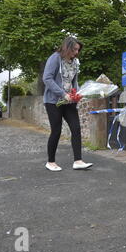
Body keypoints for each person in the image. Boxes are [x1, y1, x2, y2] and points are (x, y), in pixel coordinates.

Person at [42, 36, 93, 171]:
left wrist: (77, 93)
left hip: (69, 101)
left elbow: (74, 81)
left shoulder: (75, 62)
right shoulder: (55, 58)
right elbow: (47, 78)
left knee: (76, 128)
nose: (76, 52)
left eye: (78, 50)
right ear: (67, 47)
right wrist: (63, 94)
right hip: (53, 101)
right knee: (56, 131)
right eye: (74, 49)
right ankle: (50, 162)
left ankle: (78, 161)